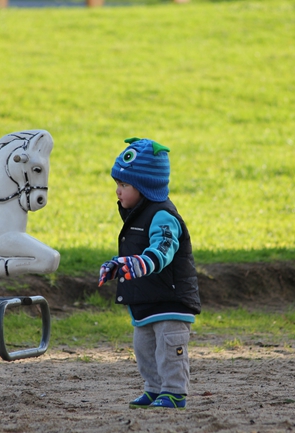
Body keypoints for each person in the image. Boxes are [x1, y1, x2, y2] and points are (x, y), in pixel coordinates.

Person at [98, 137, 201, 409]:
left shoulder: (163, 215)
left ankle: (174, 391)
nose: (118, 191)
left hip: (170, 298)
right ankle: (154, 388)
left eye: (124, 185)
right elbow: (132, 253)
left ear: (144, 186)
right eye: (117, 184)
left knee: (169, 348)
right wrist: (117, 265)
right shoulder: (136, 215)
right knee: (144, 348)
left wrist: (141, 264)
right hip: (146, 299)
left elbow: (163, 248)